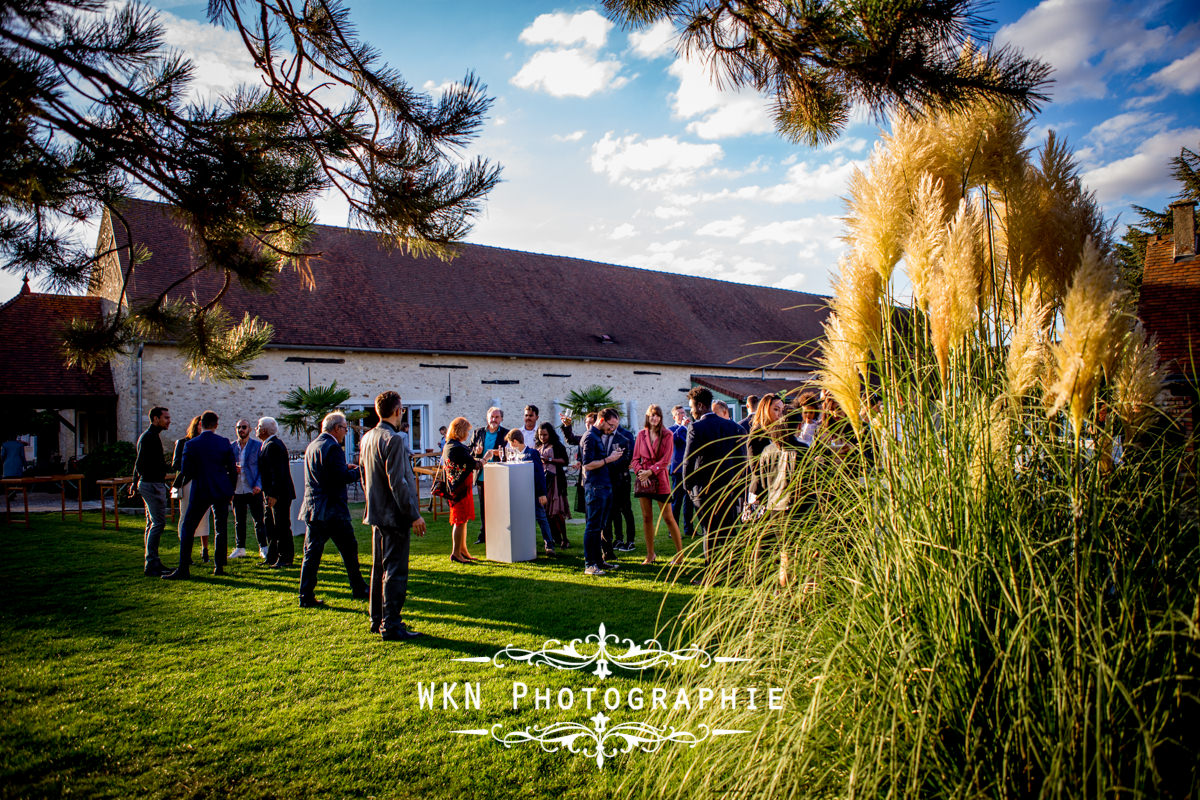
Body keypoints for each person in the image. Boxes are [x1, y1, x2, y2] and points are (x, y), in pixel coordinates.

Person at [359, 391, 426, 640]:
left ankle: (377, 619)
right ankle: (392, 623)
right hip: (394, 514)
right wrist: (413, 515)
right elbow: (398, 482)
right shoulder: (394, 439)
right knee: (395, 570)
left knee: (379, 569)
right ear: (397, 411)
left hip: (376, 513)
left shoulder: (367, 437)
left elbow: (364, 476)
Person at [296, 412, 369, 607]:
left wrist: (345, 468)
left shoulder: (313, 445)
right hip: (332, 509)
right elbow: (340, 477)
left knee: (311, 553)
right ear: (336, 428)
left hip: (314, 507)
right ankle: (359, 587)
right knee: (349, 549)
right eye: (345, 429)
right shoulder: (333, 447)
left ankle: (305, 595)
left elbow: (326, 472)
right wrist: (359, 471)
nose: (346, 433)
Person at [163, 410, 236, 579]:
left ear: (201, 424)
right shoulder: (224, 442)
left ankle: (183, 567)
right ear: (216, 425)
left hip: (201, 488)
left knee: (188, 526)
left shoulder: (191, 444)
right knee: (221, 528)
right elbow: (232, 469)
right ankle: (219, 565)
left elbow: (186, 470)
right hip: (220, 489)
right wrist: (230, 489)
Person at [683, 387, 746, 574]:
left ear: (700, 406)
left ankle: (712, 573)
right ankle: (730, 570)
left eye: (692, 407)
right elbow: (742, 462)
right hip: (729, 488)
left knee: (709, 532)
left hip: (704, 489)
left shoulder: (696, 427)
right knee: (727, 530)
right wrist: (740, 488)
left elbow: (689, 459)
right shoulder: (735, 427)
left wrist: (687, 485)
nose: (691, 412)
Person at [630, 404, 685, 566]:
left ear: (661, 417)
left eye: (657, 415)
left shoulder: (667, 435)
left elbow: (666, 460)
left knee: (668, 517)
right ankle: (650, 554)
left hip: (660, 479)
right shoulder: (641, 435)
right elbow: (635, 459)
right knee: (647, 518)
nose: (654, 418)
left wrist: (650, 472)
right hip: (644, 480)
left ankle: (680, 555)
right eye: (651, 415)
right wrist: (641, 473)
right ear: (647, 416)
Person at [579, 408, 624, 576]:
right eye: (611, 425)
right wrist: (609, 459)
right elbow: (588, 464)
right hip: (595, 487)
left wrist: (613, 459)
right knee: (592, 527)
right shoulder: (590, 437)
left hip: (604, 486)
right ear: (602, 420)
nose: (612, 430)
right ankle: (590, 564)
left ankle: (599, 561)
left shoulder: (598, 436)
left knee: (599, 526)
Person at [129, 406, 171, 576]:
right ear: (155, 419)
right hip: (152, 484)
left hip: (149, 483)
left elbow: (137, 464)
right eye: (165, 417)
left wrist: (134, 483)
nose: (168, 420)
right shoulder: (149, 438)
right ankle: (152, 562)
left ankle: (152, 560)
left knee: (151, 524)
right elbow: (139, 464)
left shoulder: (151, 436)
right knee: (158, 523)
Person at [443, 416, 490, 563]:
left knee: (462, 521)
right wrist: (486, 457)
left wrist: (475, 455)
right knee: (460, 520)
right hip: (460, 488)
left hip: (458, 488)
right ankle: (456, 553)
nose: (468, 434)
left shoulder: (449, 445)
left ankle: (462, 550)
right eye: (467, 431)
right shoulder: (457, 447)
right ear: (460, 430)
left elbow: (466, 461)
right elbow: (475, 464)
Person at [505, 429, 555, 556]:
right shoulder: (514, 455)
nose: (510, 446)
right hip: (521, 494)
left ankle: (549, 545)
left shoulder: (532, 453)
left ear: (515, 442)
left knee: (542, 518)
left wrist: (542, 493)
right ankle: (526, 543)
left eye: (510, 443)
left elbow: (539, 474)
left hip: (534, 493)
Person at [171, 415, 212, 562]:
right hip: (188, 481)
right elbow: (176, 464)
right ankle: (186, 551)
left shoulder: (208, 442)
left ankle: (205, 549)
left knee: (205, 516)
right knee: (186, 515)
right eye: (200, 425)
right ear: (195, 426)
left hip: (203, 481)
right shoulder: (183, 442)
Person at [256, 416, 295, 568]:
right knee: (271, 526)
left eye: (258, 427)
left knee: (281, 526)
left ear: (264, 430)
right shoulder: (269, 444)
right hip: (272, 493)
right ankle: (272, 556)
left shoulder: (273, 446)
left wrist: (272, 494)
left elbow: (277, 473)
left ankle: (285, 557)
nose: (256, 429)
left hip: (279, 494)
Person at [469, 406, 507, 544]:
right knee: (484, 508)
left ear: (501, 419)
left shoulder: (506, 433)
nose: (494, 419)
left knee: (499, 506)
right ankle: (484, 535)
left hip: (499, 475)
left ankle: (500, 533)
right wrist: (476, 452)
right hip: (481, 476)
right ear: (487, 418)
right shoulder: (478, 432)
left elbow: (510, 453)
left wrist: (499, 453)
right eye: (492, 416)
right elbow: (469, 451)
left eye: (497, 417)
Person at [229, 418, 264, 560]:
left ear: (250, 429)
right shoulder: (232, 447)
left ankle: (263, 547)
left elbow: (262, 468)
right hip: (237, 488)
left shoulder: (257, 446)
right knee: (239, 520)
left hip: (252, 488)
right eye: (239, 427)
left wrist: (259, 485)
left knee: (259, 519)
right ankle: (240, 548)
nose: (241, 430)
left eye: (244, 427)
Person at [535, 422, 571, 548]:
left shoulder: (557, 445)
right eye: (540, 435)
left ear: (550, 434)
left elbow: (565, 461)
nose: (543, 437)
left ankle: (565, 539)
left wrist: (549, 460)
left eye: (545, 435)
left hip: (556, 481)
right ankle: (554, 538)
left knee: (557, 512)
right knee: (546, 512)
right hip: (543, 481)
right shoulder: (538, 446)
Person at [604, 417, 635, 556]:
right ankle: (619, 538)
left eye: (611, 421)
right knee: (614, 510)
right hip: (610, 478)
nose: (609, 424)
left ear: (616, 420)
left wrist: (611, 463)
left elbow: (630, 455)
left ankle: (630, 540)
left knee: (626, 510)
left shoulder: (626, 434)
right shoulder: (604, 433)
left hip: (622, 478)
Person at [668, 406, 695, 538]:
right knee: (677, 500)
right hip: (678, 469)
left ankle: (688, 529)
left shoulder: (691, 427)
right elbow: (671, 440)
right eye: (679, 414)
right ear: (674, 417)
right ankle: (672, 530)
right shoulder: (672, 430)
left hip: (690, 467)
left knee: (689, 500)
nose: (682, 415)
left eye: (683, 413)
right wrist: (683, 427)